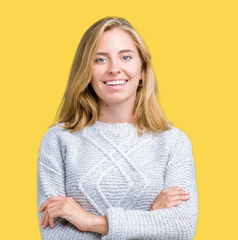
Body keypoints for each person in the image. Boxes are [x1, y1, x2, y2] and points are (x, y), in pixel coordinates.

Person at [36, 16, 199, 240]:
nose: (114, 69)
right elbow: (56, 236)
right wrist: (151, 219)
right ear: (86, 72)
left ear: (142, 70)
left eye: (125, 57)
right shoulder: (58, 140)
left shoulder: (173, 142)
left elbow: (181, 228)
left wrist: (90, 222)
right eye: (100, 60)